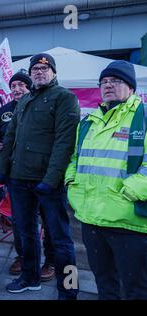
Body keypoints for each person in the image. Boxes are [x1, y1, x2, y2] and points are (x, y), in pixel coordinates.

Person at [0, 53, 80, 299]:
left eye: (44, 69)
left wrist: (51, 179)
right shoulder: (24, 101)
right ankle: (30, 277)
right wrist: (3, 168)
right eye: (35, 70)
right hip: (19, 180)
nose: (39, 73)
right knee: (25, 232)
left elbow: (65, 144)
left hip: (48, 183)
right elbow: (10, 137)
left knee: (61, 238)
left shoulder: (65, 98)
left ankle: (69, 290)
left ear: (53, 73)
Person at [65, 60, 147, 300]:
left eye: (116, 81)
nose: (108, 86)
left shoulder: (142, 118)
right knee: (104, 283)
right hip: (91, 219)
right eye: (104, 82)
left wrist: (129, 191)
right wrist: (71, 183)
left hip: (127, 222)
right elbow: (75, 158)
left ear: (130, 87)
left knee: (136, 289)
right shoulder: (88, 122)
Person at [0, 70, 56, 280]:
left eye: (21, 85)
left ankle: (50, 262)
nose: (17, 89)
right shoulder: (3, 112)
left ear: (30, 87)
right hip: (15, 178)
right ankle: (23, 256)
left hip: (43, 177)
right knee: (20, 221)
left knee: (48, 221)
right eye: (13, 86)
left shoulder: (45, 106)